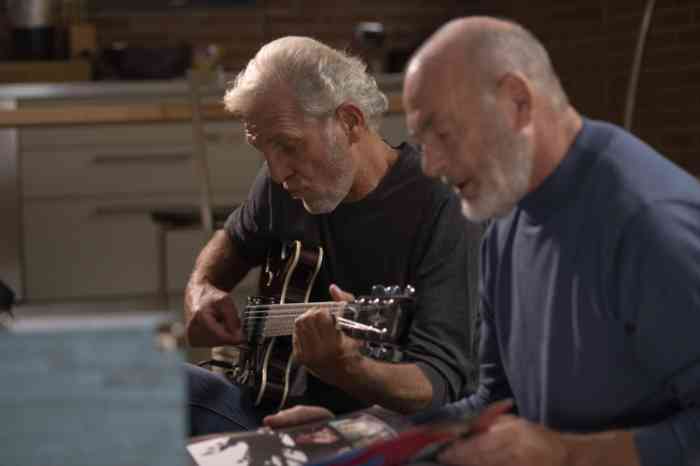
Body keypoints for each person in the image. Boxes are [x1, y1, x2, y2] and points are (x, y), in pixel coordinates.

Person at [266, 16, 700, 466]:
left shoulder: (648, 224)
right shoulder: (505, 219)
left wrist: (567, 453)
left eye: (444, 135)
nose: (430, 165)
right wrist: (349, 435)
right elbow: (492, 404)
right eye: (421, 141)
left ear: (517, 103)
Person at [184, 36, 481, 436]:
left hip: (363, 431)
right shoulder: (282, 187)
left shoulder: (441, 206)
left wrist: (349, 373)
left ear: (350, 122)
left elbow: (439, 380)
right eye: (263, 150)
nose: (276, 172)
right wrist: (202, 288)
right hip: (259, 402)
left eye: (288, 146)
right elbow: (235, 239)